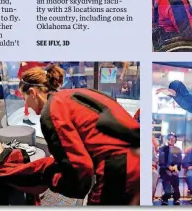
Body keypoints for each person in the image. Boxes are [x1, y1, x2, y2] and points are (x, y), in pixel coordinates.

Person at [19, 65, 140, 205]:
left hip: (119, 170)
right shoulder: (74, 94)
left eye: (24, 97)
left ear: (33, 93)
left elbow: (80, 178)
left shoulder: (51, 110)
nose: (26, 104)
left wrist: (51, 178)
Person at [158, 133, 182, 205]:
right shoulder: (162, 149)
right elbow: (161, 162)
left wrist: (176, 167)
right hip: (164, 169)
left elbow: (179, 162)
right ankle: (166, 196)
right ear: (167, 140)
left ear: (175, 140)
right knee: (168, 176)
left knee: (174, 177)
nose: (172, 140)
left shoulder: (177, 149)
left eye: (173, 139)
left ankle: (176, 198)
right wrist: (167, 167)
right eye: (170, 139)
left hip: (174, 169)